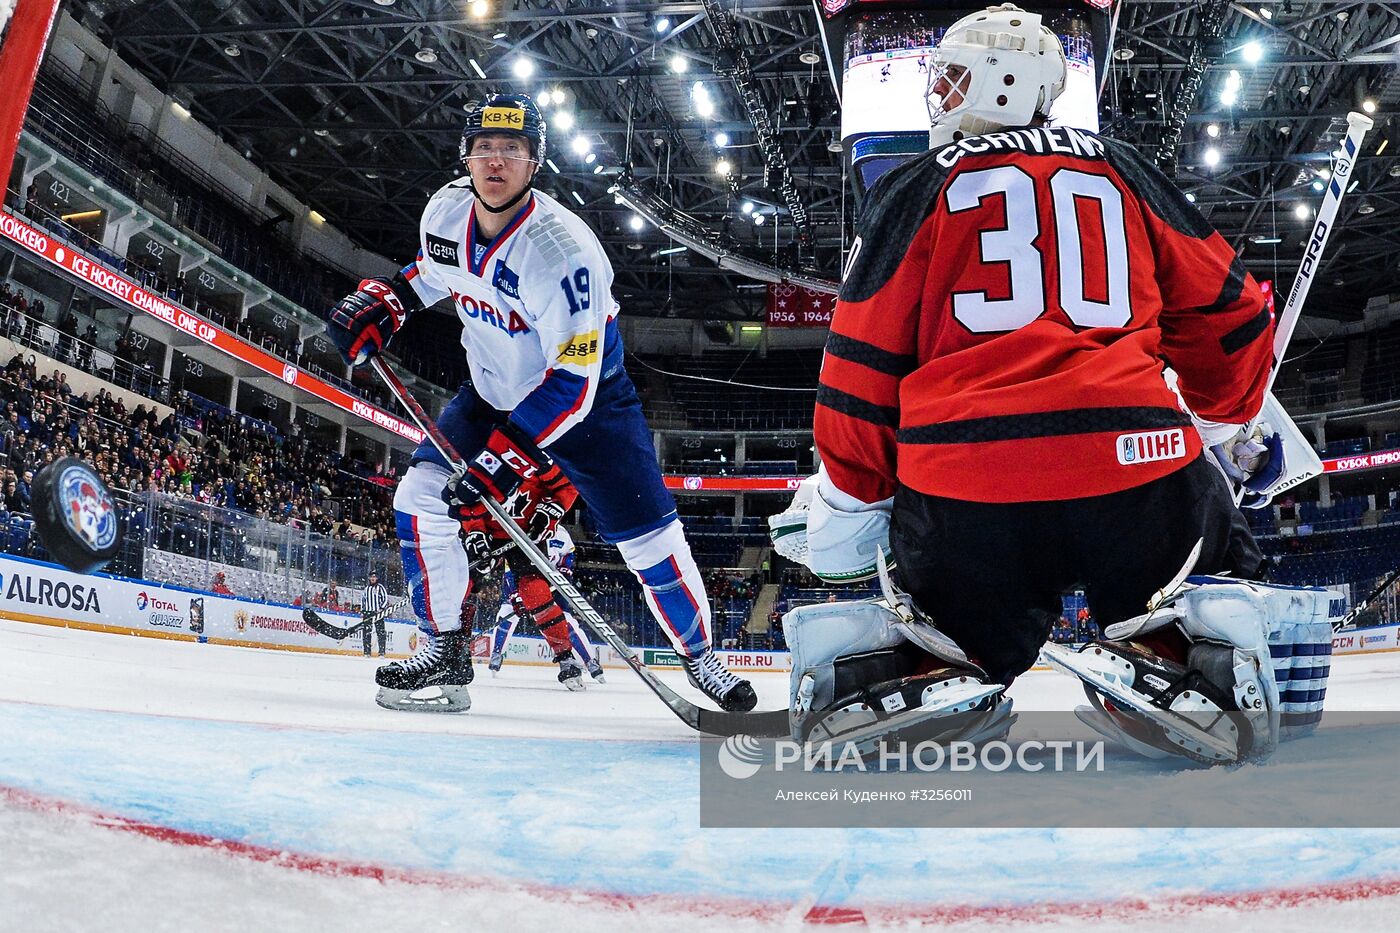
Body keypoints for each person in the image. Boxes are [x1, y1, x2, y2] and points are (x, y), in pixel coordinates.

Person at [775, 4, 1332, 764]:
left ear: (1009, 81)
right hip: (1134, 468)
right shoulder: (1125, 167)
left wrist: (850, 494)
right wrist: (1220, 422)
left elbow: (858, 368)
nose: (940, 95)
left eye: (956, 76)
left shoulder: (910, 190)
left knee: (956, 620)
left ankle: (928, 663)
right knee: (1194, 562)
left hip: (963, 491)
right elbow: (1231, 311)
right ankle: (1191, 646)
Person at [328, 93, 754, 714]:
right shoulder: (445, 212)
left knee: (650, 541)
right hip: (491, 393)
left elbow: (573, 385)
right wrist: (387, 301)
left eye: (512, 150)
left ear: (535, 162)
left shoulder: (563, 253)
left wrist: (499, 466)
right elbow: (432, 274)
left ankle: (702, 658)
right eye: (484, 148)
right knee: (418, 499)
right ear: (466, 157)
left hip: (589, 409)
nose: (495, 161)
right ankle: (446, 646)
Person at [488, 525, 605, 688]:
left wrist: (564, 572)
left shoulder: (562, 534)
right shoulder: (523, 531)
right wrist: (516, 597)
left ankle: (590, 662)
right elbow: (510, 572)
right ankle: (496, 654)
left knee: (566, 620)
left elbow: (568, 556)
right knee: (507, 612)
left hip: (554, 583)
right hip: (525, 580)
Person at [361, 569, 390, 657]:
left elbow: (385, 599)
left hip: (378, 613)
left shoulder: (380, 587)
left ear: (377, 578)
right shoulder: (367, 588)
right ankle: (367, 652)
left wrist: (381, 609)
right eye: (371, 577)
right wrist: (363, 610)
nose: (372, 578)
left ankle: (381, 652)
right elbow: (363, 600)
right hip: (368, 613)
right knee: (366, 633)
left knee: (380, 632)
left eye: (374, 577)